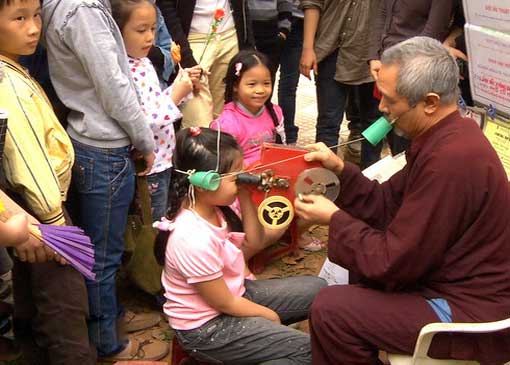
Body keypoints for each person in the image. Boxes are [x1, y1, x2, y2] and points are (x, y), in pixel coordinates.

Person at [294, 37, 510, 365]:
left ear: (430, 102)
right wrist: (340, 169)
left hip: (468, 307)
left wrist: (334, 219)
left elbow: (393, 260)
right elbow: (384, 204)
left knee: (331, 311)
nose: (382, 109)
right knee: (357, 275)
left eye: (391, 101)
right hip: (446, 280)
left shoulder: (451, 159)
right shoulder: (444, 137)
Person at [41, 0, 168, 361]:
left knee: (102, 248)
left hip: (90, 137)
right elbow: (114, 86)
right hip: (104, 145)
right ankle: (108, 344)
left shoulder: (64, 6)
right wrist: (144, 141)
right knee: (103, 254)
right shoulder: (82, 10)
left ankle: (111, 320)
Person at [154, 127, 327, 364]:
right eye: (236, 174)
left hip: (234, 294)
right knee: (307, 352)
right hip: (207, 328)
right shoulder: (191, 238)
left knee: (319, 290)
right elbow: (223, 303)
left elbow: (255, 242)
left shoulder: (216, 209)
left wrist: (245, 194)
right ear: (206, 182)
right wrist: (270, 317)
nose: (242, 177)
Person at [0, 1, 97, 363]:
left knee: (32, 300)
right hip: (42, 213)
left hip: (22, 211)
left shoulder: (13, 68)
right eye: (19, 18)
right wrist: (53, 224)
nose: (33, 27)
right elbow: (25, 157)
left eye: (36, 14)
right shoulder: (7, 81)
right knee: (65, 308)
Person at [112, 0, 194, 222]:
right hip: (148, 166)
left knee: (165, 213)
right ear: (116, 31)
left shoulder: (144, 62)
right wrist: (176, 94)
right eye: (141, 30)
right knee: (152, 223)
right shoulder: (123, 71)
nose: (150, 37)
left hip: (164, 157)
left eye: (153, 29)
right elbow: (142, 120)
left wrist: (182, 87)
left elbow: (156, 102)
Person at [368, 0, 456, 156]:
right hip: (385, 67)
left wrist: (404, 66)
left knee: (407, 140)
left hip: (413, 73)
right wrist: (374, 56)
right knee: (387, 128)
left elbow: (433, 31)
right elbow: (381, 15)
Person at [299, 0, 380, 158]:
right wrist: (307, 48)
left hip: (373, 52)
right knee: (328, 122)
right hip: (331, 50)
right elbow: (313, 4)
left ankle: (372, 174)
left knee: (375, 121)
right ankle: (323, 179)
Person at [157, 0, 254, 127]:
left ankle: (218, 145)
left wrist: (248, 45)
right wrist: (186, 56)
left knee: (222, 115)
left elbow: (242, 6)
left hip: (230, 35)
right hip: (192, 39)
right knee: (197, 118)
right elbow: (166, 8)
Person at [211, 50, 285, 167]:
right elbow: (224, 166)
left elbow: (281, 148)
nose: (260, 90)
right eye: (252, 84)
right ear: (235, 85)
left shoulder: (275, 112)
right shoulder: (227, 124)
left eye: (266, 83)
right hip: (243, 180)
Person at [278, 0, 303, 145]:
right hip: (267, 19)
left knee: (288, 85)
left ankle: (288, 136)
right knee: (260, 80)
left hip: (300, 20)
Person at [247, 0, 293, 79]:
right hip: (246, 28)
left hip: (271, 30)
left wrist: (283, 31)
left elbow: (285, 3)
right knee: (245, 74)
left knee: (268, 76)